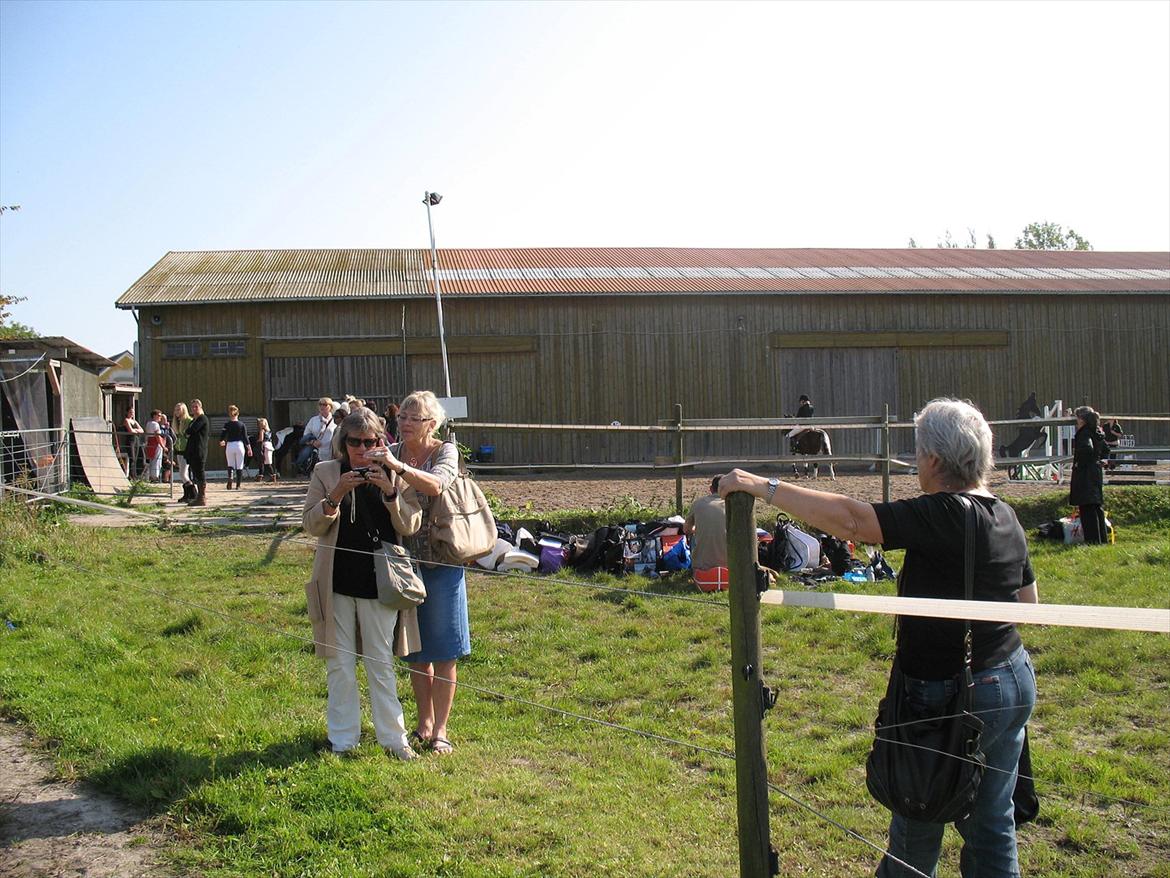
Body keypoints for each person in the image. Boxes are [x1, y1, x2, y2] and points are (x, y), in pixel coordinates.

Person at [720, 398, 1037, 878]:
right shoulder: (1006, 515)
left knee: (917, 823)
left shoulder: (944, 512)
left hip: (945, 693)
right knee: (993, 824)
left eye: (918, 452)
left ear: (933, 460)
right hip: (1010, 678)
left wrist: (763, 487)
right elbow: (1028, 604)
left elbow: (853, 521)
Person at [302, 408, 423, 760]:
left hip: (380, 583)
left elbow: (411, 523)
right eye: (355, 441)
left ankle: (394, 740)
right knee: (339, 664)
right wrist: (336, 495)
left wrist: (389, 493)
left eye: (371, 441)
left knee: (380, 663)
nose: (363, 448)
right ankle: (342, 741)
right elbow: (311, 525)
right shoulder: (326, 472)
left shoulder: (395, 473)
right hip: (336, 582)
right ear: (343, 443)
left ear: (380, 442)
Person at [375, 390, 469, 756]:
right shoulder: (393, 451)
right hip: (403, 563)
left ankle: (441, 730)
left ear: (432, 424)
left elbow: (436, 484)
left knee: (445, 650)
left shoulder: (445, 451)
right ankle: (424, 723)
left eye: (415, 418)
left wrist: (397, 470)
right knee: (416, 651)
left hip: (443, 560)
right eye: (403, 417)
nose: (406, 423)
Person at [1069, 405, 1110, 544]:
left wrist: (1080, 463)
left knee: (1086, 508)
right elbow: (1106, 449)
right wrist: (1101, 460)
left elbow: (1087, 448)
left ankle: (1092, 541)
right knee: (1096, 506)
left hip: (1085, 472)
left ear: (1082, 419)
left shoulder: (1084, 433)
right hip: (1096, 471)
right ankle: (1102, 539)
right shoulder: (1097, 431)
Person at [684, 476, 728, 591]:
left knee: (693, 536)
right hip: (729, 567)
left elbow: (686, 530)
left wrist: (696, 530)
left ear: (710, 488)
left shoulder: (698, 503)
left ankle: (695, 565)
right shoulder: (733, 505)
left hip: (702, 570)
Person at [297, 397, 335, 472]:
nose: (322, 406)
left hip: (330, 452)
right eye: (320, 404)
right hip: (316, 452)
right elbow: (306, 434)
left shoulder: (335, 420)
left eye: (325, 404)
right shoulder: (313, 420)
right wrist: (313, 442)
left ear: (330, 407)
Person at [219, 405, 251, 490]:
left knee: (230, 464)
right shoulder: (241, 424)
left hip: (230, 445)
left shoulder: (227, 425)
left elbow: (222, 435)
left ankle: (230, 478)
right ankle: (238, 485)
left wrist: (221, 441)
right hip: (239, 445)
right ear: (238, 414)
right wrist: (249, 448)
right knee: (239, 465)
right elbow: (245, 437)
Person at [185, 399, 209, 506]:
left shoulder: (202, 418)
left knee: (200, 472)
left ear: (200, 407)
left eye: (196, 407)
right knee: (195, 472)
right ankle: (199, 496)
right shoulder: (194, 420)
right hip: (192, 450)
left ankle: (202, 497)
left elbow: (192, 430)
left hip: (199, 449)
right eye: (192, 407)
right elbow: (187, 431)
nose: (194, 409)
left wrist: (189, 430)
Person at [172, 402, 194, 502]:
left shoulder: (188, 421)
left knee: (184, 473)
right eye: (176, 410)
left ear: (183, 410)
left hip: (186, 449)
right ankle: (186, 494)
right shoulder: (178, 421)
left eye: (178, 410)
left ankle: (193, 493)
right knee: (182, 473)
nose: (176, 412)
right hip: (179, 448)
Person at [122, 406, 145, 477]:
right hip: (130, 440)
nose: (132, 414)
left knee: (139, 457)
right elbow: (130, 431)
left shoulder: (134, 421)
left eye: (133, 412)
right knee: (132, 457)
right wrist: (136, 431)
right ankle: (131, 475)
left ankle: (136, 475)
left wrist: (135, 431)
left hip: (136, 440)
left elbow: (142, 430)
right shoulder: (126, 420)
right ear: (127, 412)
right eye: (130, 412)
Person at [144, 410, 164, 482]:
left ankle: (151, 476)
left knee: (151, 460)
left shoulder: (148, 423)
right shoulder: (155, 424)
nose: (160, 417)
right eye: (159, 415)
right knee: (157, 460)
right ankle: (154, 476)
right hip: (155, 444)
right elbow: (157, 436)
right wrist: (163, 446)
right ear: (154, 415)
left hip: (150, 442)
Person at [256, 417, 277, 483]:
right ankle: (272, 476)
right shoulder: (269, 431)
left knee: (262, 462)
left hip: (264, 446)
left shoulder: (262, 431)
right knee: (268, 462)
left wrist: (257, 441)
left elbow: (261, 439)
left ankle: (261, 476)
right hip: (270, 446)